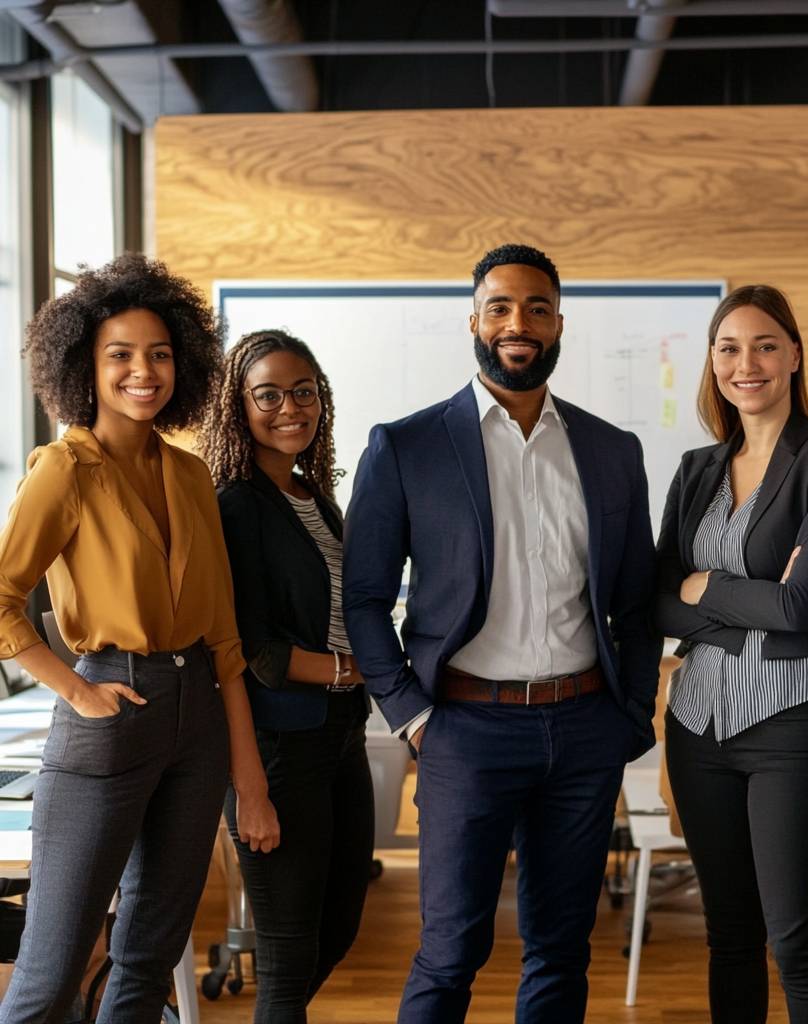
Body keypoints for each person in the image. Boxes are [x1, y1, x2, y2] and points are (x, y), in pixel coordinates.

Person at [343, 243, 660, 1023]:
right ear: (474, 321)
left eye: (538, 308)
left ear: (559, 325)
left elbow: (639, 602)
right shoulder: (407, 446)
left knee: (561, 947)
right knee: (451, 949)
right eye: (501, 307)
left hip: (585, 727)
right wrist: (413, 717)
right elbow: (363, 598)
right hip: (463, 728)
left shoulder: (612, 451)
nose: (519, 323)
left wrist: (630, 715)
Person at [0, 253, 278, 1024]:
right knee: (52, 971)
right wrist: (76, 689)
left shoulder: (189, 475)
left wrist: (246, 781)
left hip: (199, 721)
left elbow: (224, 640)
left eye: (158, 354)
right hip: (110, 709)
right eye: (119, 354)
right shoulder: (63, 469)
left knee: (149, 960)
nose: (142, 371)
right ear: (84, 365)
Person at [655, 284, 808, 1024]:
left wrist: (705, 585)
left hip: (796, 727)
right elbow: (654, 600)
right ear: (712, 364)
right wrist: (752, 600)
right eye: (729, 348)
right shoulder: (695, 469)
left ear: (795, 355)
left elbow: (805, 605)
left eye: (765, 345)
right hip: (697, 727)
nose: (747, 363)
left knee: (799, 940)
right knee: (730, 937)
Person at [198, 329, 374, 1023]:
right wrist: (343, 669)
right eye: (267, 394)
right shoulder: (235, 505)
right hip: (277, 746)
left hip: (339, 735)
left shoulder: (313, 497)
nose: (289, 407)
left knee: (338, 929)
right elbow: (246, 647)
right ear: (238, 406)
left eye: (303, 392)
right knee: (286, 952)